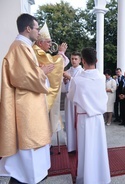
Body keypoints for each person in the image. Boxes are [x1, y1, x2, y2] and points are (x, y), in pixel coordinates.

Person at [0, 13, 53, 184]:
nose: (38, 32)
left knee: (31, 153)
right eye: (37, 28)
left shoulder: (24, 46)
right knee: (27, 151)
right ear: (28, 28)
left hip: (30, 104)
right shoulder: (20, 47)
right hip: (26, 107)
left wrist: (40, 71)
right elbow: (23, 77)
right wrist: (42, 72)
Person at [67, 47, 111, 184]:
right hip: (98, 118)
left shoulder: (77, 80)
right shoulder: (102, 77)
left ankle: (86, 178)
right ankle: (100, 177)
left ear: (83, 61)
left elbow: (70, 96)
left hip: (84, 119)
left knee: (85, 149)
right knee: (98, 148)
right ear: (96, 60)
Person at [33, 22, 69, 136]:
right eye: (48, 42)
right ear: (40, 42)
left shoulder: (39, 51)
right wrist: (61, 52)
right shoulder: (37, 51)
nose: (50, 44)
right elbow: (55, 64)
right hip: (41, 91)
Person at [62, 51, 83, 153]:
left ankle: (79, 144)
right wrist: (65, 82)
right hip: (69, 100)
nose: (73, 61)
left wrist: (69, 78)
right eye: (72, 59)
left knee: (77, 122)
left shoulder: (82, 72)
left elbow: (80, 85)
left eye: (76, 59)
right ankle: (71, 145)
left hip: (77, 100)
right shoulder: (68, 70)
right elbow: (65, 87)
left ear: (80, 60)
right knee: (69, 121)